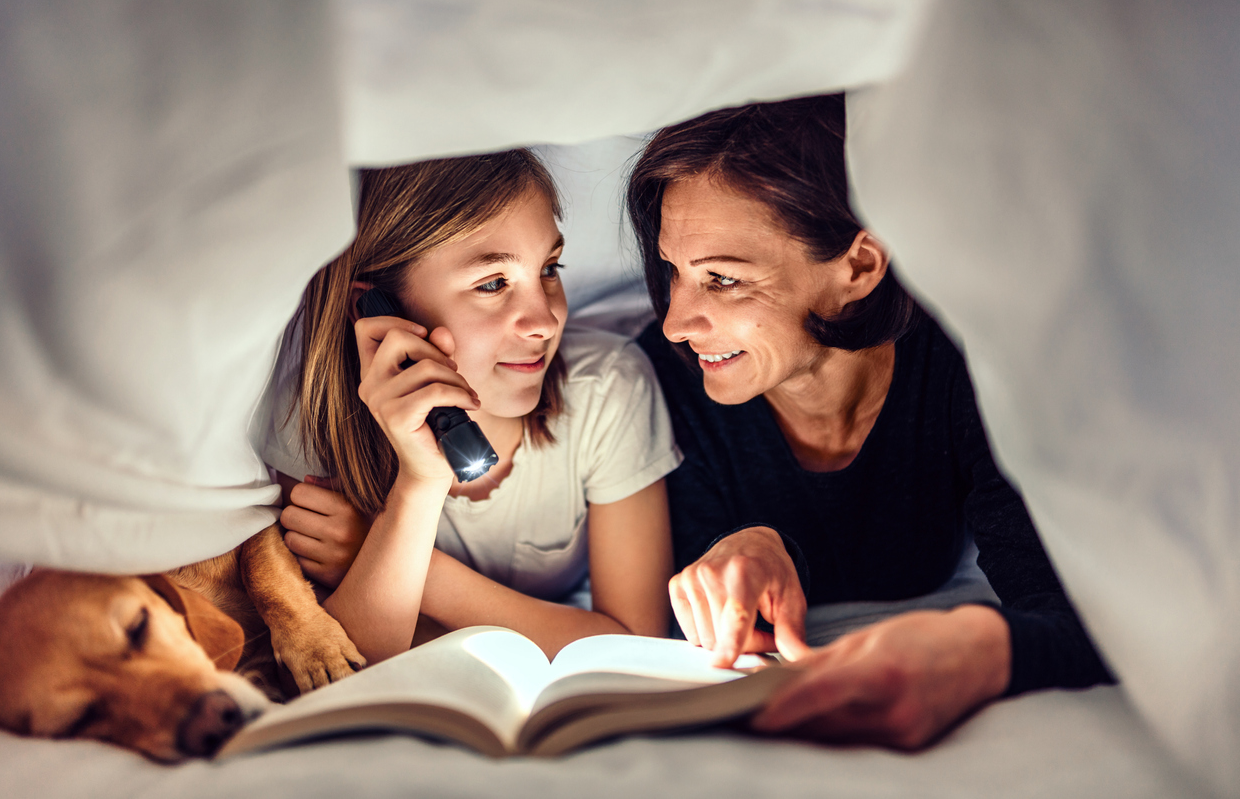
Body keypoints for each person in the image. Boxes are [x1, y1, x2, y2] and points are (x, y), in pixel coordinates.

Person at [629, 95, 1114, 748]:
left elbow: (1086, 622)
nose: (676, 321)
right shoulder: (663, 377)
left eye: (722, 280)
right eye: (672, 271)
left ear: (857, 267)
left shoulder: (967, 369)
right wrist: (756, 548)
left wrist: (980, 641)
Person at [263, 150, 680, 664]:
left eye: (550, 268)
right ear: (377, 312)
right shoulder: (311, 421)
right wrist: (420, 483)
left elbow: (636, 644)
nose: (545, 321)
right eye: (492, 284)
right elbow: (349, 667)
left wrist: (388, 558)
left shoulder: (609, 387)